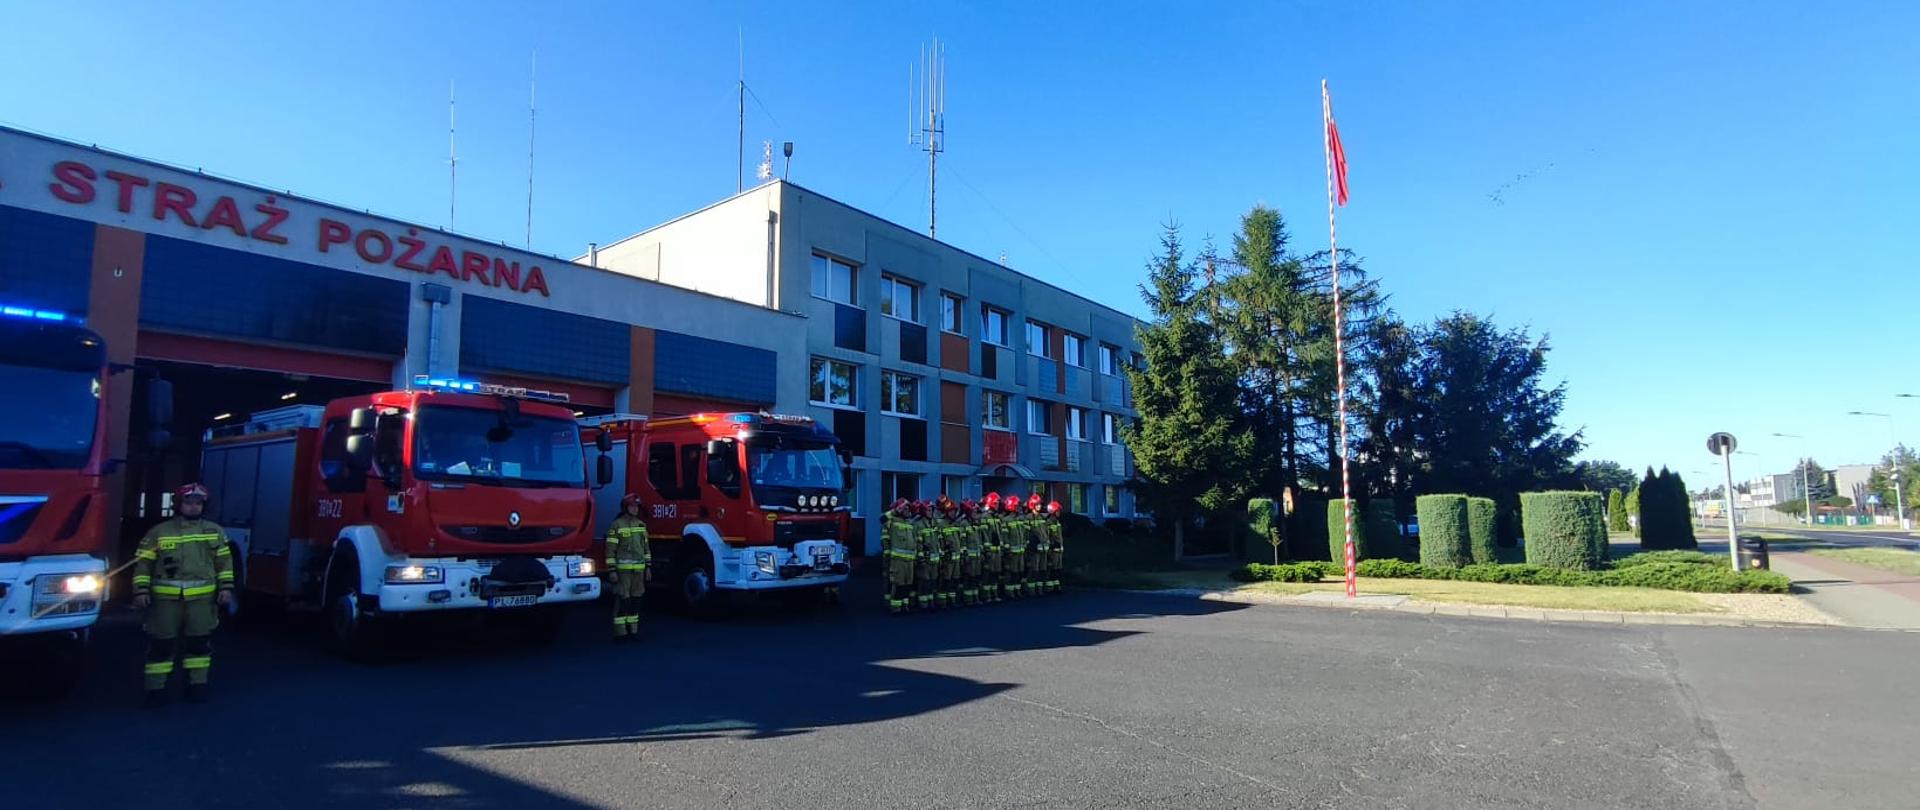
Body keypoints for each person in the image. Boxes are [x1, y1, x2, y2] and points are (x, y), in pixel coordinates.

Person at [131, 483, 234, 707]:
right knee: (162, 645)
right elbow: (142, 565)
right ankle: (156, 691)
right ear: (179, 505)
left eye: (198, 503)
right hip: (165, 601)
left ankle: (197, 687)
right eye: (188, 503)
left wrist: (226, 588)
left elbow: (224, 563)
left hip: (202, 601)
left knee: (199, 645)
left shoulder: (214, 531)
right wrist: (140, 591)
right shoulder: (158, 532)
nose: (193, 507)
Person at [605, 493, 651, 641]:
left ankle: (633, 631)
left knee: (636, 601)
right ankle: (620, 632)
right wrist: (611, 570)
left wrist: (648, 568)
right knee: (623, 601)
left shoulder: (641, 525)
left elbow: (646, 549)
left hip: (639, 572)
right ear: (625, 507)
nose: (635, 509)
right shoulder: (617, 525)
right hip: (622, 573)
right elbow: (610, 549)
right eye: (632, 506)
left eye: (637, 506)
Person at [882, 499, 919, 613]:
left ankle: (905, 605)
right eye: (905, 508)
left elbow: (915, 541)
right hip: (898, 561)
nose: (907, 510)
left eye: (908, 508)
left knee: (907, 585)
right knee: (898, 585)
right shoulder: (892, 521)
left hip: (910, 561)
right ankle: (896, 607)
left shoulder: (910, 523)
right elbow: (882, 519)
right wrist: (895, 510)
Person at [1000, 496, 1027, 598]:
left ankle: (1017, 590)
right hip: (1011, 552)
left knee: (1019, 572)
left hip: (1020, 552)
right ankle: (1009, 592)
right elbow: (1005, 537)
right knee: (1011, 572)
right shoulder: (1006, 520)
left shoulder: (1019, 520)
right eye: (1017, 506)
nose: (1019, 508)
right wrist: (1007, 550)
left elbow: (1023, 535)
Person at [958, 500, 985, 606]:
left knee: (976, 578)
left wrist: (982, 552)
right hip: (970, 557)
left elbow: (980, 540)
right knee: (968, 578)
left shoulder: (976, 524)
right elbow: (962, 541)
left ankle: (975, 597)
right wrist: (965, 555)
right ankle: (967, 599)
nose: (976, 514)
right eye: (974, 512)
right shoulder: (964, 524)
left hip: (977, 556)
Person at [979, 493, 1004, 603]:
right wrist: (986, 550)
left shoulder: (997, 517)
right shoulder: (985, 517)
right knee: (987, 574)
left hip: (997, 551)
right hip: (989, 552)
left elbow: (1000, 534)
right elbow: (983, 536)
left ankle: (994, 594)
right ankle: (986, 595)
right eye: (996, 503)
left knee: (995, 573)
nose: (998, 505)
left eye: (998, 503)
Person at [1045, 500, 1066, 594]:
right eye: (1057, 511)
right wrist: (1050, 547)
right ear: (1053, 512)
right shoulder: (1048, 522)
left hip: (1059, 550)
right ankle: (1049, 587)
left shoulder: (1057, 522)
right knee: (1051, 568)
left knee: (1058, 569)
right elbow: (1046, 536)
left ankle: (1056, 586)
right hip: (1052, 550)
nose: (1059, 513)